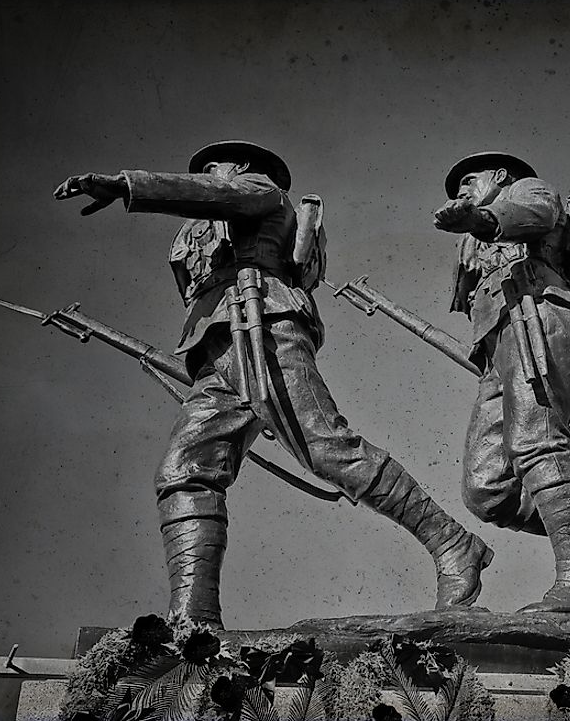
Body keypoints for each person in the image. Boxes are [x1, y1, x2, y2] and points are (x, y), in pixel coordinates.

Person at [54, 140, 493, 628]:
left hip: (263, 326)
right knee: (184, 471)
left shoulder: (260, 190)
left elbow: (208, 196)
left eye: (214, 169)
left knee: (328, 448)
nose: (208, 177)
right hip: (219, 347)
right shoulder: (199, 231)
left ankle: (453, 543)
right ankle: (193, 619)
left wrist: (124, 184)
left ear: (238, 169)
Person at [433, 151, 570, 616]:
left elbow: (536, 213)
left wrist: (480, 218)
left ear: (499, 177)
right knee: (486, 489)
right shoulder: (478, 234)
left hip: (538, 316)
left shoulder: (526, 192)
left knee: (539, 445)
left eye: (469, 181)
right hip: (499, 339)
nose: (461, 192)